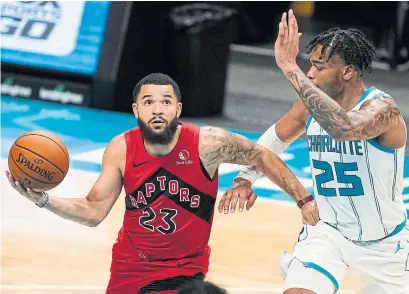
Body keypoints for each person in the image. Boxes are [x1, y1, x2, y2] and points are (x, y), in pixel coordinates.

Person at [5, 73, 319, 293]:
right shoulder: (121, 148)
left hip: (185, 269)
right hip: (130, 264)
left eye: (166, 102)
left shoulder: (208, 143)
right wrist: (44, 201)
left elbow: (261, 154)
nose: (157, 109)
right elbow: (93, 209)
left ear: (178, 109)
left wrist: (302, 199)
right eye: (149, 102)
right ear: (136, 110)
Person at [220, 9, 409, 294]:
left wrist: (289, 67)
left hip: (383, 245)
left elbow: (344, 128)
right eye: (309, 64)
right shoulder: (308, 106)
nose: (310, 72)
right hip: (326, 233)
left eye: (320, 66)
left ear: (347, 71)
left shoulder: (383, 110)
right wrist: (246, 178)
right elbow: (275, 138)